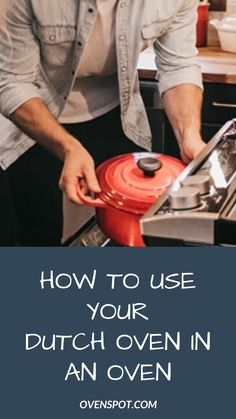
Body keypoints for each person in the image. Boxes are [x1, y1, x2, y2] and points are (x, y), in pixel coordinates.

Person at [0, 0, 205, 246]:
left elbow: (178, 64)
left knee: (125, 229)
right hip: (32, 122)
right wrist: (69, 148)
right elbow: (12, 81)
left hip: (116, 114)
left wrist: (189, 136)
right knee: (38, 233)